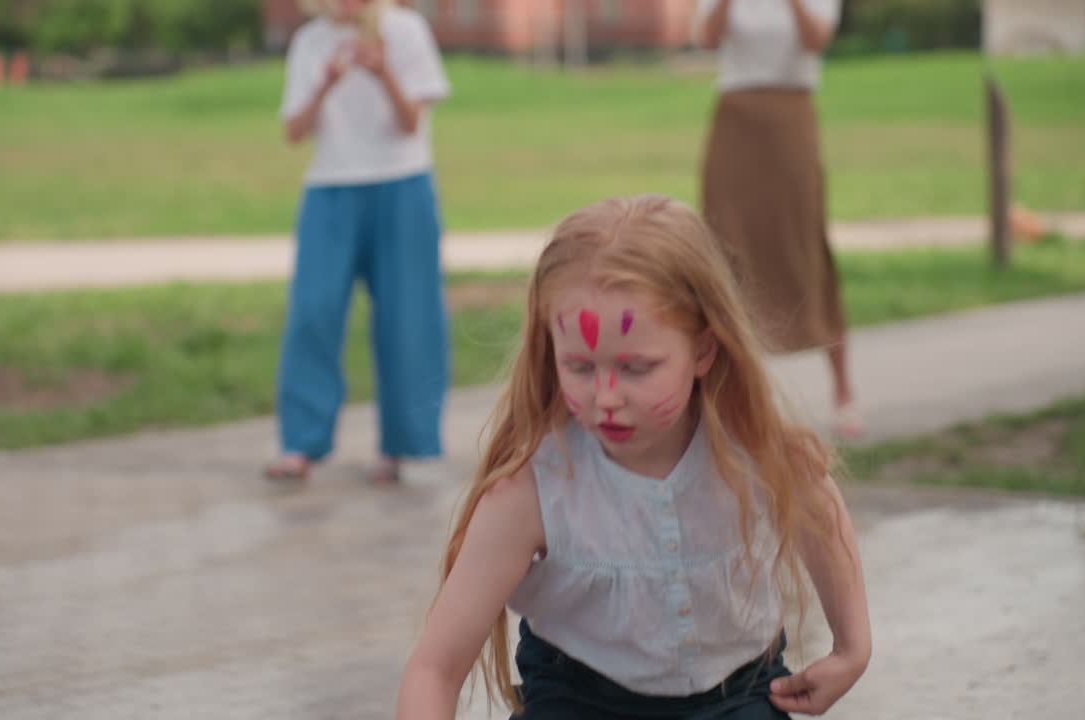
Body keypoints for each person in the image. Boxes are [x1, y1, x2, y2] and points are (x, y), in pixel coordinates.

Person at [396, 195, 871, 719]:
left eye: (637, 368)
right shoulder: (533, 491)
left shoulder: (759, 453)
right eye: (579, 365)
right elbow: (432, 670)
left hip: (737, 698)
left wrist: (852, 647)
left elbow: (821, 515)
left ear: (704, 350)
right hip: (577, 702)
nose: (606, 397)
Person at [265, 0, 451, 484]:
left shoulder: (405, 30)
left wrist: (383, 70)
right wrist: (326, 82)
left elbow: (412, 121)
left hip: (402, 184)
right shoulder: (311, 39)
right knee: (313, 312)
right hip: (330, 188)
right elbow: (292, 130)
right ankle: (300, 444)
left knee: (407, 317)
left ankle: (401, 447)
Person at [693, 0, 863, 438]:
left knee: (802, 243)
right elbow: (707, 38)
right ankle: (731, 395)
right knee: (723, 243)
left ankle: (843, 389)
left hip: (790, 114)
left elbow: (816, 40)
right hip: (736, 114)